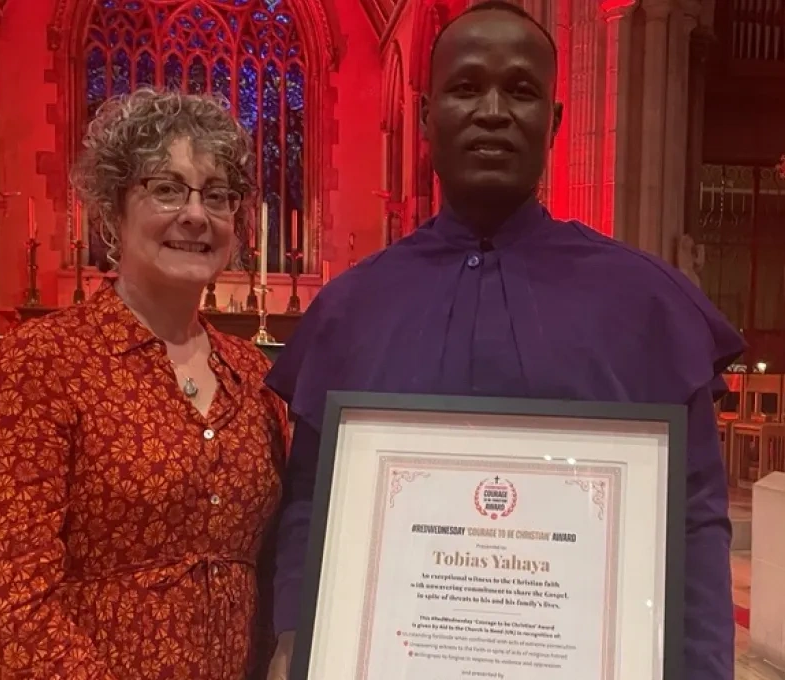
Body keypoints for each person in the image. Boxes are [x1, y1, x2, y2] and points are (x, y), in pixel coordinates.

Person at [262, 2, 744, 679]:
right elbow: (311, 505)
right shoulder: (352, 307)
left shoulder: (645, 303)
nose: (493, 110)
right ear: (426, 115)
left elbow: (692, 522)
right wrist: (293, 639)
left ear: (556, 120)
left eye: (521, 90)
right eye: (466, 88)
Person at [0, 88, 288, 680]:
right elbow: (2, 597)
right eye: (165, 188)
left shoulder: (256, 376)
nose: (195, 214)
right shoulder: (43, 364)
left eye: (217, 195)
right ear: (111, 210)